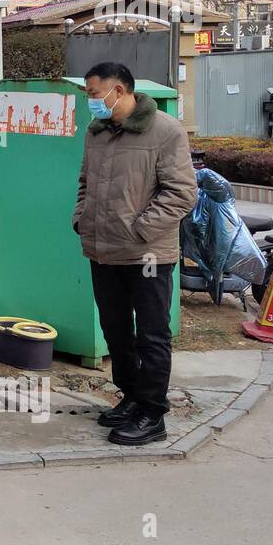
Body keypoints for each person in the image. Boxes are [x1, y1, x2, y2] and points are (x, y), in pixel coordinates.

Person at [73, 61, 197, 446]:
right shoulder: (97, 132)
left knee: (152, 335)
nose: (91, 102)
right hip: (102, 250)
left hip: (148, 255)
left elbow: (182, 193)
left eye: (94, 94)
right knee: (116, 332)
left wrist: (140, 228)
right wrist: (82, 218)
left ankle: (152, 413)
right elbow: (85, 182)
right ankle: (131, 396)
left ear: (120, 91)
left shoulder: (165, 132)